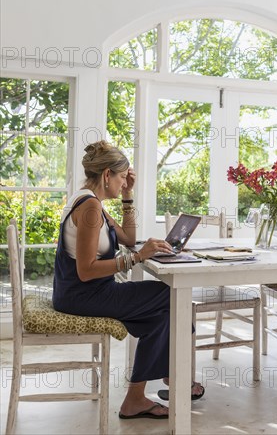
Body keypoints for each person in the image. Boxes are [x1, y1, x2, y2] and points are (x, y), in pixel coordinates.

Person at [52, 140, 204, 420]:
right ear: (107, 174)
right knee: (172, 296)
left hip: (86, 292)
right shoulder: (89, 207)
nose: (124, 183)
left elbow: (129, 238)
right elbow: (86, 270)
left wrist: (129, 195)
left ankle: (136, 398)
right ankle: (172, 374)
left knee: (162, 318)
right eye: (122, 178)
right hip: (83, 295)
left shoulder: (90, 199)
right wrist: (137, 257)